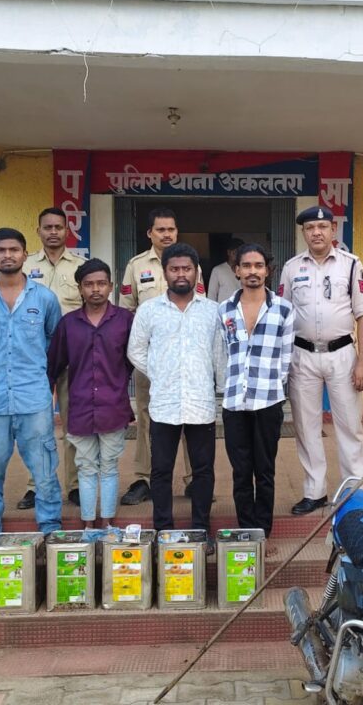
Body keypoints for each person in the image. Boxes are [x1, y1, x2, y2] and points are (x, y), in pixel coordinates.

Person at [0, 228, 63, 563]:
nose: (7, 255)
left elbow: (55, 342)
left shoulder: (44, 298)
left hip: (34, 398)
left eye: (14, 250)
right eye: (1, 250)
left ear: (24, 254)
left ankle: (50, 531)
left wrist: (35, 365)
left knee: (44, 471)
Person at [279, 206, 363, 516]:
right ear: (303, 232)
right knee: (306, 427)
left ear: (333, 230)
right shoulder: (292, 268)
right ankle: (314, 491)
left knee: (349, 426)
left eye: (322, 226)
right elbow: (282, 315)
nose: (316, 232)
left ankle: (353, 492)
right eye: (310, 228)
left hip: (342, 355)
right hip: (302, 355)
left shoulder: (351, 264)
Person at [127, 243, 224, 536]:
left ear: (196, 272)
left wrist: (217, 385)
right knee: (161, 470)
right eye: (174, 269)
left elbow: (219, 355)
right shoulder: (149, 310)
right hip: (164, 403)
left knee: (203, 470)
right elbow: (135, 350)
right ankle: (163, 530)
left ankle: (201, 529)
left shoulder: (212, 311)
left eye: (186, 269)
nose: (181, 274)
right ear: (165, 272)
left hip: (200, 402)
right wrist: (159, 373)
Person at [118, 208, 204, 505]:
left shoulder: (191, 264)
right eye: (161, 230)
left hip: (187, 357)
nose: (167, 234)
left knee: (191, 415)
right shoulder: (136, 265)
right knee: (146, 417)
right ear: (150, 233)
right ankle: (144, 478)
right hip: (150, 359)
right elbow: (127, 311)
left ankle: (194, 479)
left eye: (171, 229)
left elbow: (201, 307)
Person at [47, 258, 134, 529]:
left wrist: (117, 382)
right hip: (80, 407)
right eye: (89, 284)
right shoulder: (68, 324)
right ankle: (88, 525)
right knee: (85, 467)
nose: (95, 289)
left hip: (113, 407)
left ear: (111, 286)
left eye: (101, 283)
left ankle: (106, 523)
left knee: (109, 465)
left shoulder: (125, 320)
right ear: (80, 289)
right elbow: (54, 364)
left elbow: (134, 358)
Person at [218, 244, 294, 537]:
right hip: (234, 402)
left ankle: (262, 532)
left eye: (258, 265)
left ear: (267, 270)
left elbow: (286, 357)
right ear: (236, 270)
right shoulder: (224, 309)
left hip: (268, 401)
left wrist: (273, 385)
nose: (253, 271)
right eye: (247, 265)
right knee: (240, 472)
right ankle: (246, 531)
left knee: (264, 471)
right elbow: (221, 354)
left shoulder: (283, 309)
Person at [17, 207, 86, 511]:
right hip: (34, 359)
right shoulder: (25, 266)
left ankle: (75, 485)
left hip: (72, 357)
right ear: (39, 231)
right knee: (36, 425)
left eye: (59, 227)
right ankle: (37, 485)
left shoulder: (81, 266)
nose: (53, 232)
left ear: (67, 230)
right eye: (48, 227)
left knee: (74, 424)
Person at [208, 237, 244, 304]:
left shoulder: (245, 270)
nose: (237, 254)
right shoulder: (217, 270)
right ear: (228, 252)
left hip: (243, 309)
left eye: (239, 252)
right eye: (234, 251)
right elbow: (211, 295)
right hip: (223, 309)